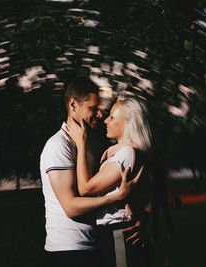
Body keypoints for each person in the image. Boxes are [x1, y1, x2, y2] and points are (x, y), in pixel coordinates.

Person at [39, 78, 144, 267]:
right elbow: (70, 207)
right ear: (73, 105)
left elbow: (113, 187)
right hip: (70, 250)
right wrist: (117, 198)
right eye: (93, 108)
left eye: (101, 109)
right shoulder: (58, 146)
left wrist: (138, 218)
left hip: (98, 245)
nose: (100, 114)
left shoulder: (93, 145)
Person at [66, 95, 153, 267]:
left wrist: (81, 144)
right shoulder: (124, 151)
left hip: (119, 231)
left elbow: (85, 189)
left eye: (112, 117)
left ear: (129, 123)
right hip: (115, 232)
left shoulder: (127, 153)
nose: (105, 120)